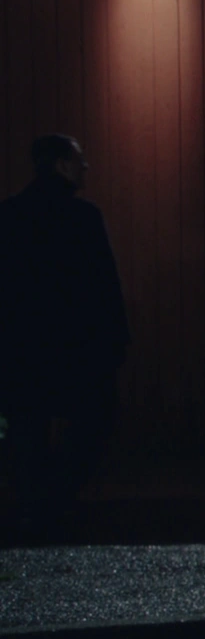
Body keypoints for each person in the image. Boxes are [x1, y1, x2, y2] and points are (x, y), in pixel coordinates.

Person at [0, 134, 130, 539]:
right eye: (78, 160)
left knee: (27, 426)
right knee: (93, 418)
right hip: (76, 345)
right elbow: (104, 286)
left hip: (21, 345)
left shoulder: (9, 215)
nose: (84, 167)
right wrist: (115, 340)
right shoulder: (83, 218)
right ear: (60, 164)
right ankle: (57, 498)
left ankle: (33, 506)